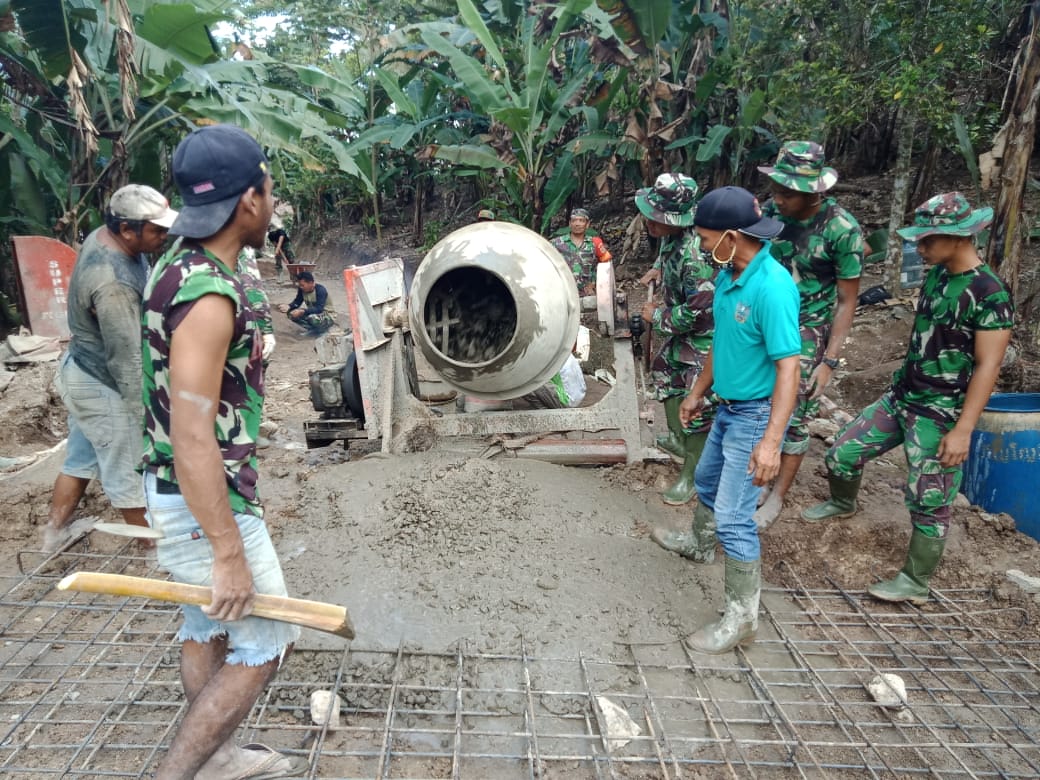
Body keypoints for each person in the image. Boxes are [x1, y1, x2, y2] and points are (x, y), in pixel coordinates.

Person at [141, 124, 305, 780]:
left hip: (177, 493)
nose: (271, 201)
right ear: (249, 201)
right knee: (265, 642)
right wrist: (228, 552)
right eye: (268, 189)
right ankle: (181, 772)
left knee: (205, 628)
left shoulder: (183, 259)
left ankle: (222, 755)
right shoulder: (207, 295)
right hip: (203, 500)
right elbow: (192, 438)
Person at [802, 193, 1014, 604]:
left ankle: (915, 581)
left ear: (957, 237)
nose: (920, 248)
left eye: (927, 240)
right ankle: (842, 502)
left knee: (928, 495)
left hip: (942, 412)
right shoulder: (937, 275)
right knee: (842, 452)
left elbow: (989, 366)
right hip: (903, 397)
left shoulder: (990, 293)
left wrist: (963, 430)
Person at [674, 186, 801, 654]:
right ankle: (699, 544)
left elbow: (789, 367)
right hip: (728, 407)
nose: (703, 248)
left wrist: (770, 443)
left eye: (707, 239)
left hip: (754, 414)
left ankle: (742, 619)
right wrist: (697, 392)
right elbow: (722, 343)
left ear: (732, 235)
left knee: (734, 516)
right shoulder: (731, 274)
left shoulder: (772, 287)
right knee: (707, 482)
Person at [42, 184, 177, 553]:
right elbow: (127, 359)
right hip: (104, 383)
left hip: (83, 368)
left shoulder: (109, 239)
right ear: (127, 229)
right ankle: (155, 554)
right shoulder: (112, 283)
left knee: (80, 461)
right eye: (157, 230)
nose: (164, 236)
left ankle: (51, 535)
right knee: (130, 470)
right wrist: (146, 417)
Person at [753, 141, 864, 528]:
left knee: (795, 412)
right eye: (776, 190)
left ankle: (777, 495)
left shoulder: (841, 230)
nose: (777, 199)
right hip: (763, 319)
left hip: (806, 330)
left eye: (787, 193)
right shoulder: (769, 213)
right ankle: (756, 478)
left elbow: (846, 301)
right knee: (754, 400)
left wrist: (829, 361)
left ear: (814, 191)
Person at [632, 173, 718, 508]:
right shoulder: (671, 236)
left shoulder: (697, 256)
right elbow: (666, 254)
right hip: (683, 332)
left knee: (695, 405)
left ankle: (693, 475)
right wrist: (658, 269)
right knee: (665, 377)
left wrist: (659, 318)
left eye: (658, 219)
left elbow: (703, 313)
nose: (651, 223)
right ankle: (681, 441)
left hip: (705, 338)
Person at [550, 207, 612, 296]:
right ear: (570, 224)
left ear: (587, 224)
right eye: (574, 221)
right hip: (563, 294)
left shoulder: (595, 243)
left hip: (588, 294)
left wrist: (595, 284)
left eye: (581, 221)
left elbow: (607, 266)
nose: (577, 224)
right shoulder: (556, 243)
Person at [280, 271, 335, 335]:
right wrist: (289, 306)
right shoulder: (302, 289)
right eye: (300, 285)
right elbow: (297, 301)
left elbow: (319, 309)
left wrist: (303, 311)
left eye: (302, 285)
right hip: (314, 313)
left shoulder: (320, 290)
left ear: (310, 283)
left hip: (327, 315)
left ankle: (323, 329)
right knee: (291, 314)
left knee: (312, 318)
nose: (301, 287)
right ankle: (313, 329)